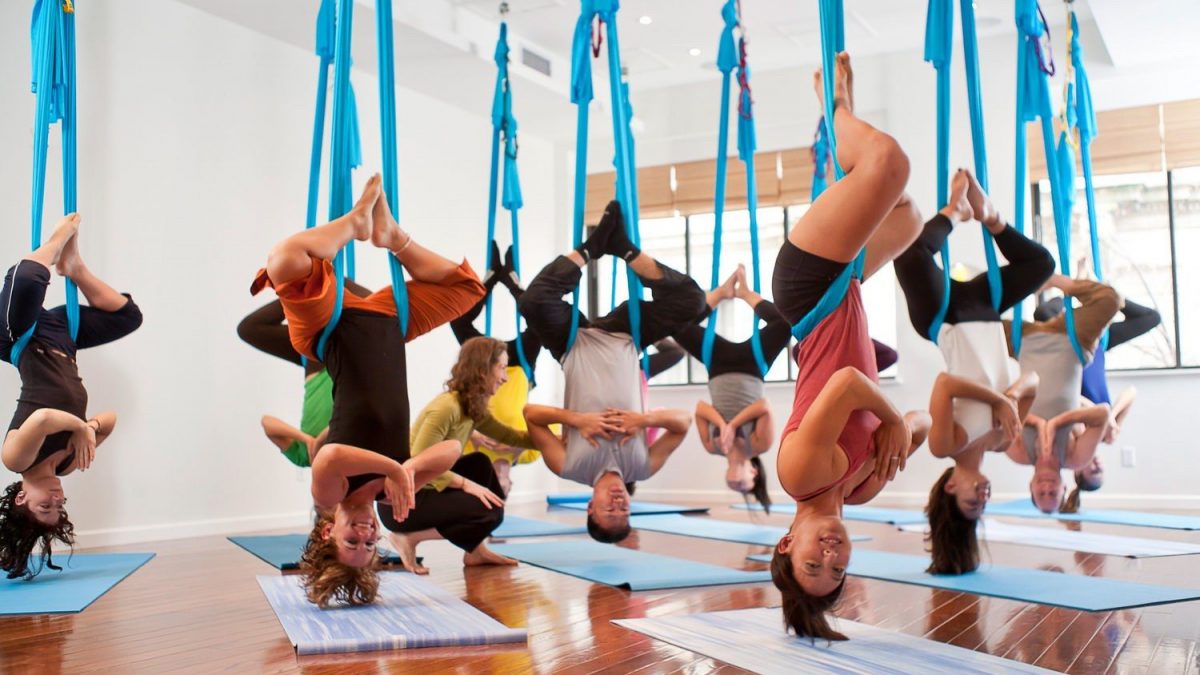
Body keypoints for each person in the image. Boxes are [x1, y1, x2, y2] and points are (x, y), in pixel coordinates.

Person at [251, 175, 481, 606]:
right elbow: (451, 449)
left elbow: (332, 455)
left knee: (284, 259)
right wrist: (408, 471)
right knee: (467, 290)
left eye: (351, 543)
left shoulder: (328, 494)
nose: (365, 537)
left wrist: (395, 469)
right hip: (387, 324)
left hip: (328, 328)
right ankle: (393, 237)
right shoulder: (393, 492)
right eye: (370, 547)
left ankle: (355, 226)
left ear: (327, 530)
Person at [769, 54, 930, 641]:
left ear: (787, 543)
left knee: (888, 164)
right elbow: (921, 420)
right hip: (849, 290)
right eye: (838, 568)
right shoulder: (861, 488)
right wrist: (906, 431)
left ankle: (835, 107)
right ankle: (840, 117)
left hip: (809, 294)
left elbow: (845, 386)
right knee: (908, 217)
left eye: (814, 562)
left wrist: (891, 421)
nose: (831, 555)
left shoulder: (799, 472)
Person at [893, 168, 1051, 574]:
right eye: (983, 506)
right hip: (984, 309)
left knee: (909, 253)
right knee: (1041, 264)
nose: (982, 498)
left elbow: (945, 384)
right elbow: (1032, 379)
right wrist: (1013, 399)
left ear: (950, 488)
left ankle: (954, 210)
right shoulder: (1002, 441)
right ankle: (990, 216)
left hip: (943, 318)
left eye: (970, 502)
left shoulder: (947, 444)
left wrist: (1000, 399)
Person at [518, 199, 703, 544]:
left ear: (590, 507)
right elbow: (683, 423)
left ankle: (590, 248)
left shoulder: (568, 467)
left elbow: (531, 415)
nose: (619, 504)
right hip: (626, 336)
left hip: (573, 345)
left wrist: (578, 421)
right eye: (625, 511)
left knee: (533, 303)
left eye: (609, 511)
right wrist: (642, 421)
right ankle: (625, 249)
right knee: (693, 301)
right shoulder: (643, 467)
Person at [1, 215, 142, 580]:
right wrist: (91, 428)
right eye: (58, 508)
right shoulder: (67, 464)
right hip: (63, 340)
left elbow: (44, 419)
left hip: (22, 338)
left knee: (28, 279)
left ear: (21, 498)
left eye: (44, 506)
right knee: (128, 317)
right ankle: (74, 267)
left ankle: (57, 241)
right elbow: (110, 417)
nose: (56, 499)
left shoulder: (16, 459)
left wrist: (81, 428)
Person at [380, 337, 539, 573]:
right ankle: (409, 538)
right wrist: (465, 484)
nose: (505, 377)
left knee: (480, 463)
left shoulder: (472, 407)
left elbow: (509, 436)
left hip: (427, 491)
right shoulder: (447, 408)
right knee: (490, 512)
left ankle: (475, 551)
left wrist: (555, 442)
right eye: (502, 368)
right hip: (405, 503)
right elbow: (416, 465)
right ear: (482, 368)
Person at [672, 265, 790, 512]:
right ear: (754, 472)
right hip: (753, 364)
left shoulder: (713, 446)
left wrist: (722, 425)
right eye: (745, 486)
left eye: (734, 489)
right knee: (786, 323)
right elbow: (764, 407)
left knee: (674, 326)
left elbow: (701, 408)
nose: (738, 485)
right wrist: (733, 425)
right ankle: (746, 294)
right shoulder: (759, 445)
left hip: (716, 363)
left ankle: (720, 294)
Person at [1003, 275, 1120, 514]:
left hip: (1023, 344)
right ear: (1065, 487)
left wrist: (1037, 423)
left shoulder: (1019, 453)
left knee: (968, 323)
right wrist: (1057, 423)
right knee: (1112, 299)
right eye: (1053, 494)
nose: (1047, 487)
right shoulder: (1076, 457)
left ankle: (1019, 278)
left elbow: (1000, 411)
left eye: (1041, 493)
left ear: (1031, 486)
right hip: (1070, 340)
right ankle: (1054, 281)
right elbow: (1102, 414)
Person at [1034, 294, 1160, 513]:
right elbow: (1131, 392)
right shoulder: (1107, 434)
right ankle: (1107, 296)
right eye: (1101, 471)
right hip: (1099, 345)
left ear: (1077, 470)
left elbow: (1070, 400)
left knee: (1043, 315)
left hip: (1073, 347)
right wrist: (1112, 417)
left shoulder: (1073, 440)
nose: (1098, 466)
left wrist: (1103, 415)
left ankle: (1072, 291)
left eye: (1092, 471)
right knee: (1151, 318)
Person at [236, 276, 370, 468]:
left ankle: (303, 290)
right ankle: (331, 279)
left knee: (249, 329)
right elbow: (362, 419)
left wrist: (307, 440)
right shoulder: (352, 455)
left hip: (315, 363)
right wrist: (325, 436)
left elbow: (267, 423)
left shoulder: (305, 457)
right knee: (383, 317)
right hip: (344, 361)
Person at [449, 243, 543, 494]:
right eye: (504, 490)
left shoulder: (473, 456)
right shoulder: (528, 457)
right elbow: (553, 429)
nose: (499, 482)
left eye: (494, 487)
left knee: (457, 320)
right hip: (520, 366)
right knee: (540, 320)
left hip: (483, 365)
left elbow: (450, 427)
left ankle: (490, 277)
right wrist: (519, 447)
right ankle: (511, 278)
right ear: (511, 485)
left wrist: (472, 435)